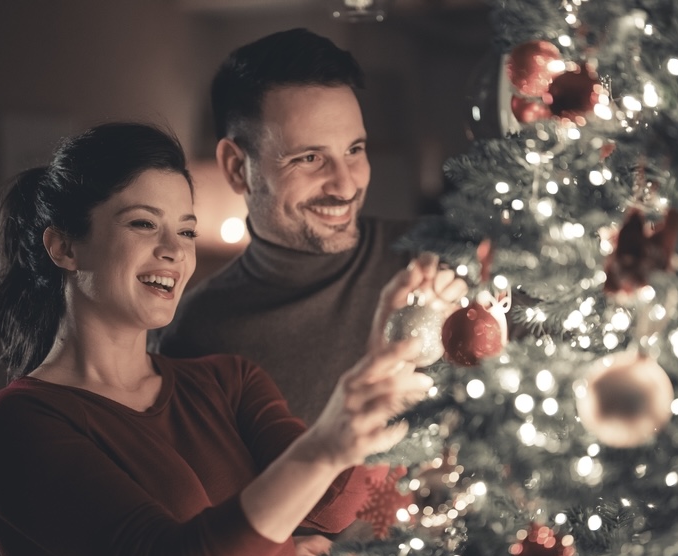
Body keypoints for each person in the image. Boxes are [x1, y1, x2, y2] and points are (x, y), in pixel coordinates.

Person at [0, 121, 438, 556]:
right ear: (64, 246)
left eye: (187, 231)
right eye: (144, 224)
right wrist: (278, 550)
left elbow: (328, 505)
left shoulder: (225, 381)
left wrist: (393, 359)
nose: (174, 251)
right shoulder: (20, 423)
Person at [154, 28, 467, 425]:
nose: (346, 184)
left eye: (355, 149)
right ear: (237, 167)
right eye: (309, 159)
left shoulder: (438, 252)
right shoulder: (200, 335)